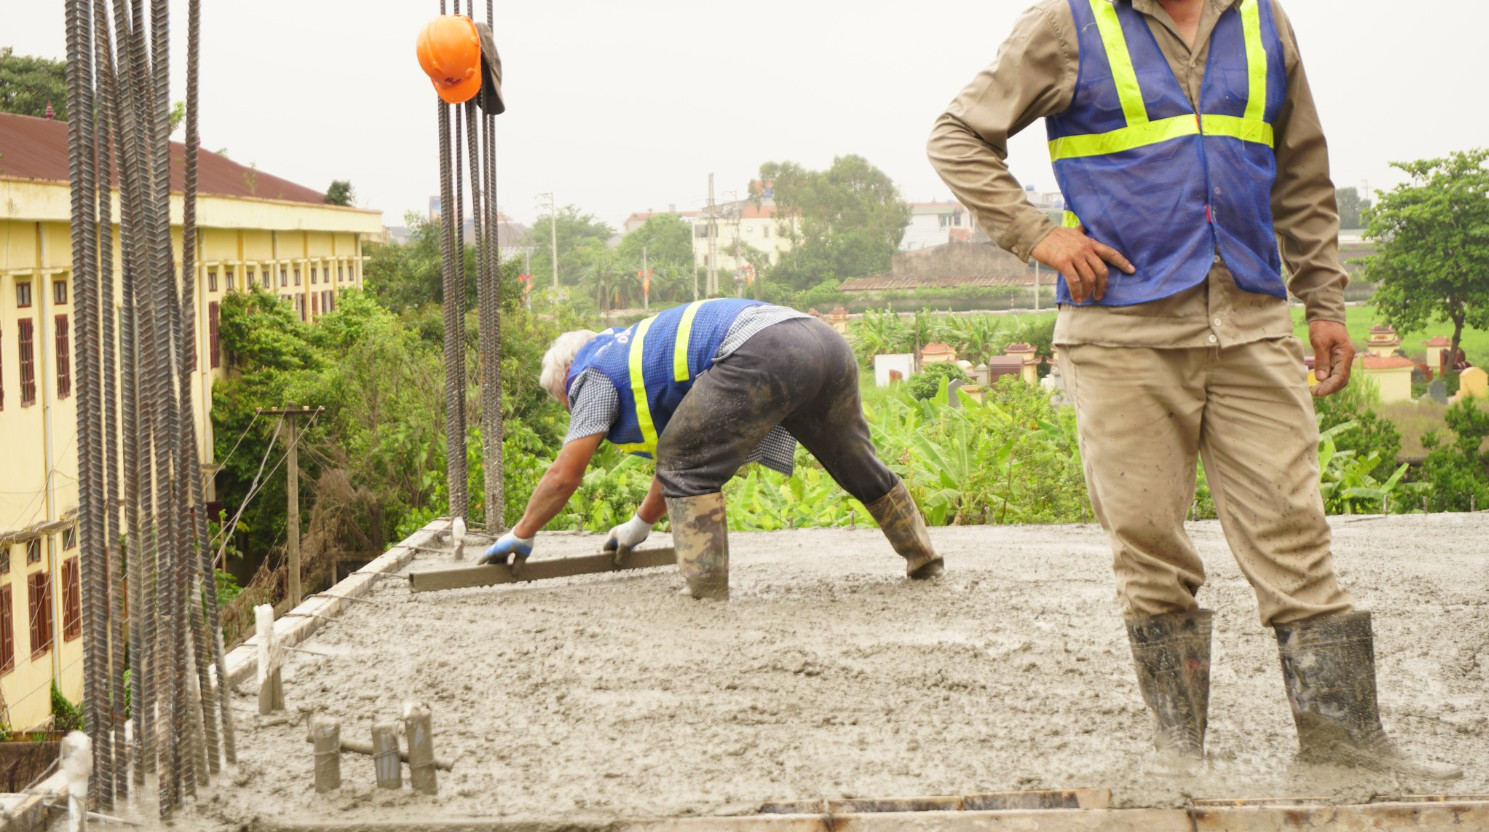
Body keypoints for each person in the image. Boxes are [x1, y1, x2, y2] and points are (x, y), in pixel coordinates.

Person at [927, 0, 1459, 779]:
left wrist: (1324, 301)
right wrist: (1038, 232)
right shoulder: (1066, 23)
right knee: (1149, 545)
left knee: (1294, 533)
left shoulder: (1262, 22)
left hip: (1249, 322)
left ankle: (1345, 745)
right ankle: (1179, 761)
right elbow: (956, 136)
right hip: (1121, 332)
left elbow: (1301, 172)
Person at [479, 298, 943, 600]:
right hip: (822, 340)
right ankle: (922, 555)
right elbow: (683, 449)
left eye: (565, 404)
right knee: (852, 459)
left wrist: (523, 531)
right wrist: (640, 525)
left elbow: (566, 474)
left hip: (763, 347)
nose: (571, 411)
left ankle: (705, 588)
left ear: (565, 380)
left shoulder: (592, 375)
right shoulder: (636, 353)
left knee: (686, 460)